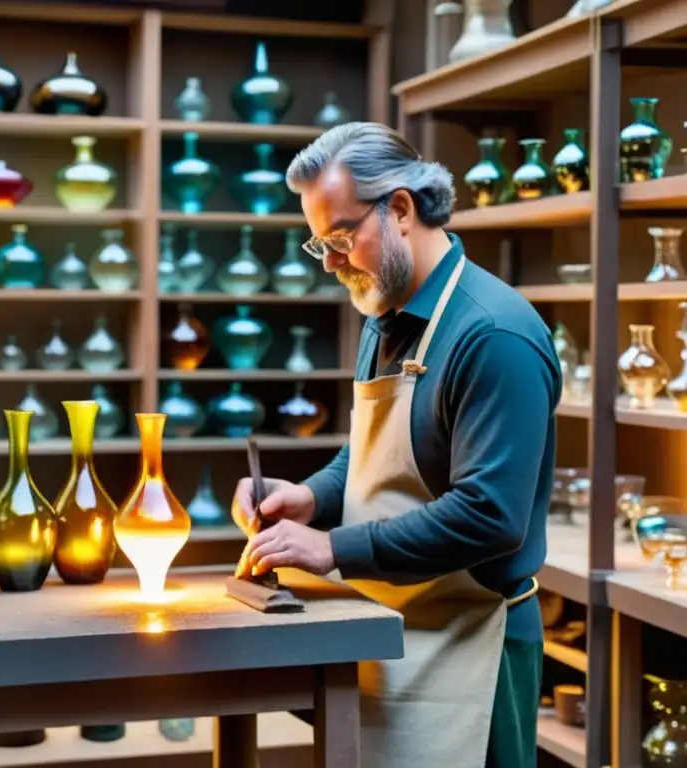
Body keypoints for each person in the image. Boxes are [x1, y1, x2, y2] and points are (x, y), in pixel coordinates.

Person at [232, 122, 561, 768]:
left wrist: (330, 548)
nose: (328, 263)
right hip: (389, 632)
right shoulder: (384, 311)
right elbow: (375, 456)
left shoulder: (494, 336)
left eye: (339, 238)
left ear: (402, 210)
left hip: (471, 649)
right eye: (316, 244)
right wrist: (310, 498)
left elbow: (489, 515)